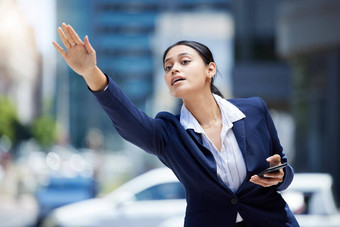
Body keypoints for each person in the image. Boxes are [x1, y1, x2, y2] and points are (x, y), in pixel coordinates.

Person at [53, 23, 299, 227]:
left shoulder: (254, 110)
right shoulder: (168, 133)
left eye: (184, 61)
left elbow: (284, 170)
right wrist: (90, 72)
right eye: (168, 67)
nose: (174, 69)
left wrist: (280, 175)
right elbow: (128, 120)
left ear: (209, 69)